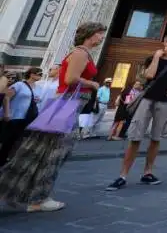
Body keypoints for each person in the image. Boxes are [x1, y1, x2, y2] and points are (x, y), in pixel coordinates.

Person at [0, 22, 105, 212]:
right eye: (99, 33)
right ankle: (39, 198)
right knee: (55, 152)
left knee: (38, 150)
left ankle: (15, 192)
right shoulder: (81, 53)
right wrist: (92, 83)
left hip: (67, 104)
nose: (101, 37)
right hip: (67, 105)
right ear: (90, 34)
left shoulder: (82, 53)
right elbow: (70, 79)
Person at [106, 33, 167, 191]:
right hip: (147, 99)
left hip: (165, 101)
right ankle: (122, 176)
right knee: (135, 137)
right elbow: (150, 75)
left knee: (155, 138)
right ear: (164, 42)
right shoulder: (152, 57)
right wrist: (157, 57)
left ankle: (148, 173)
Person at [0, 67, 42, 165]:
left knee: (13, 142)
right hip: (13, 116)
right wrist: (6, 113)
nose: (40, 76)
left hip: (25, 118)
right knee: (4, 140)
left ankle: (4, 161)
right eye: (38, 73)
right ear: (31, 74)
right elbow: (7, 98)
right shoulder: (20, 84)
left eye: (41, 74)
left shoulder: (39, 88)